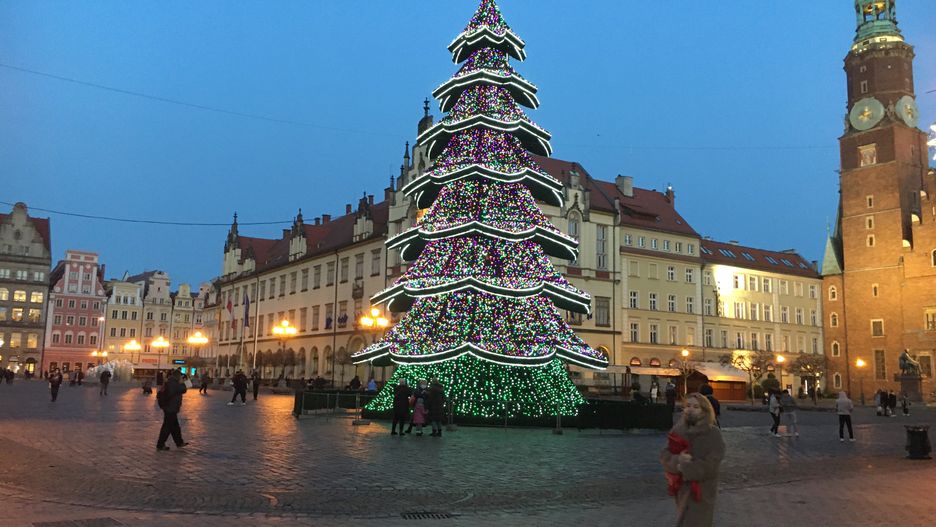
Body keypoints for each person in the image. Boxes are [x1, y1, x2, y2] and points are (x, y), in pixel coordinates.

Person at [660, 393, 725, 527]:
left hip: (702, 491)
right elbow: (665, 455)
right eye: (688, 406)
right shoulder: (678, 430)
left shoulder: (713, 433)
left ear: (704, 410)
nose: (690, 409)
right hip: (682, 490)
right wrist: (677, 461)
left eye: (696, 406)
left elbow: (712, 464)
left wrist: (687, 467)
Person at [156, 369, 188, 451]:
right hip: (170, 407)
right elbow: (183, 389)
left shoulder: (171, 381)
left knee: (175, 427)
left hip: (170, 407)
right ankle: (160, 444)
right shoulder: (173, 383)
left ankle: (179, 442)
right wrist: (183, 382)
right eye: (180, 376)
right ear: (178, 376)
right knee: (167, 427)